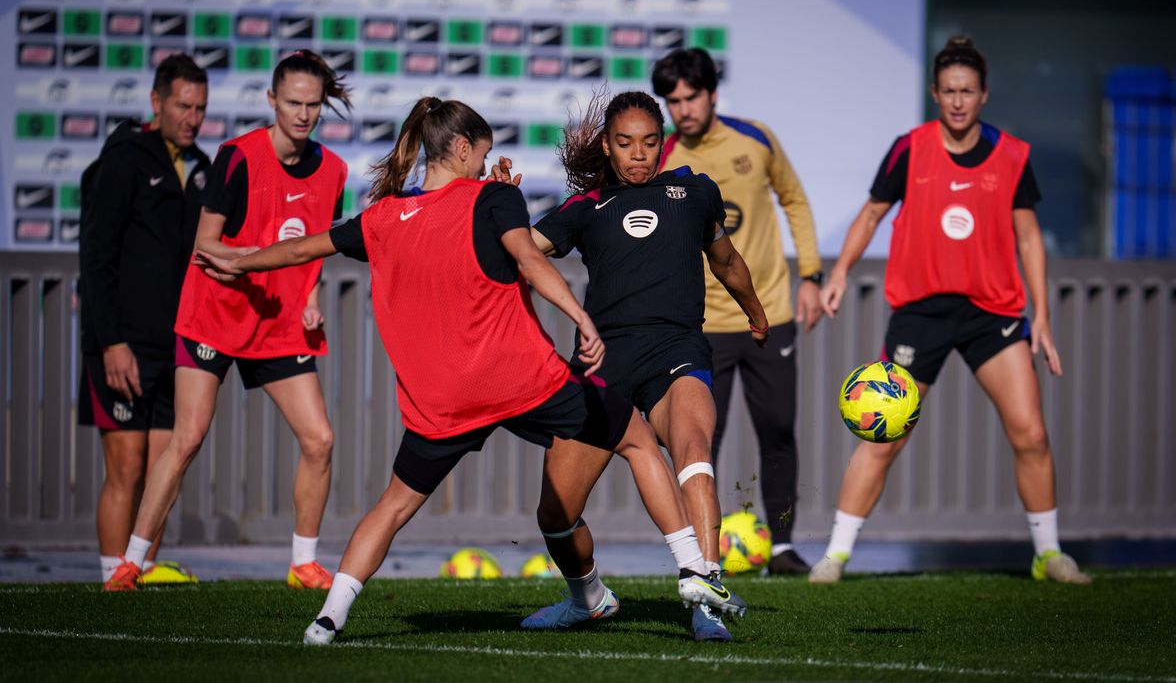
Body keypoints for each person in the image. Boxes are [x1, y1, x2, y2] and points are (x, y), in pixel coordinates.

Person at [193, 97, 731, 645]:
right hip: (518, 380)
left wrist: (239, 259)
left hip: (441, 401)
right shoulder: (493, 198)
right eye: (484, 153)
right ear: (463, 148)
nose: (486, 164)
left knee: (393, 505)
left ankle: (327, 619)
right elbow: (528, 259)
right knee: (638, 442)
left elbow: (304, 248)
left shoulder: (383, 216)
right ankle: (693, 571)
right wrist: (578, 316)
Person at [809, 36, 1090, 586]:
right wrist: (839, 272)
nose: (958, 101)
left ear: (984, 95)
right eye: (948, 92)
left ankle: (1049, 553)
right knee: (883, 435)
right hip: (921, 312)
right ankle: (836, 556)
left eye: (968, 91)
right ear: (935, 94)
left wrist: (1044, 317)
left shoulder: (1012, 155)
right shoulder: (909, 148)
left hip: (994, 312)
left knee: (1030, 432)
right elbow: (871, 214)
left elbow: (1029, 239)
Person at [521, 90, 770, 642]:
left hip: (676, 351)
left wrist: (756, 313)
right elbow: (522, 254)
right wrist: (497, 202)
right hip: (602, 363)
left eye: (650, 142)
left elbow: (726, 261)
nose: (639, 154)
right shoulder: (583, 209)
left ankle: (706, 597)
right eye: (626, 143)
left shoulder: (694, 193)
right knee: (554, 515)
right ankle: (587, 599)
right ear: (606, 147)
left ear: (664, 143)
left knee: (694, 455)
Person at [104, 50, 351, 591]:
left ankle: (303, 563)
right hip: (214, 315)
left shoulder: (333, 170)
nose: (304, 114)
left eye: (313, 104)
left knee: (321, 439)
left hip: (280, 323)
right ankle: (131, 562)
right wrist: (254, 262)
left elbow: (312, 249)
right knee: (187, 438)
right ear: (272, 100)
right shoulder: (237, 157)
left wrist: (308, 294)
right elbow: (204, 246)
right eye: (293, 103)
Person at [652, 48, 823, 575]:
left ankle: (783, 547)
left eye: (691, 97)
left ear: (712, 94)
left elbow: (794, 200)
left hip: (768, 314)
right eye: (673, 101)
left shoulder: (757, 139)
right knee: (701, 441)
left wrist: (811, 276)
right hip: (701, 326)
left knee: (778, 428)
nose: (682, 109)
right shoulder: (660, 156)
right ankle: (699, 555)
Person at [79, 53, 210, 589]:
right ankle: (113, 574)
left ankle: (143, 570)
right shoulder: (124, 159)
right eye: (183, 105)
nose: (192, 117)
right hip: (122, 343)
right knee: (127, 467)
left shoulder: (203, 167)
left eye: (200, 107)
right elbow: (96, 256)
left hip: (176, 344)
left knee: (163, 470)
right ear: (156, 103)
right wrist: (111, 341)